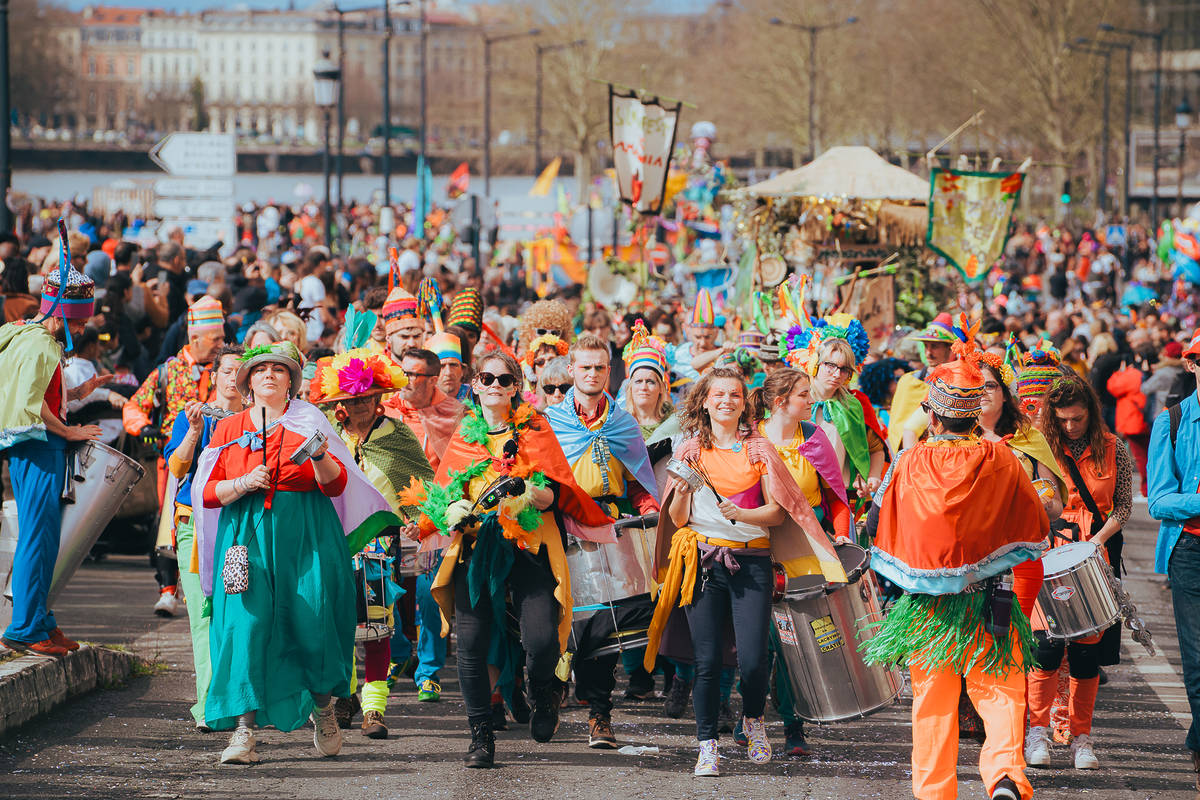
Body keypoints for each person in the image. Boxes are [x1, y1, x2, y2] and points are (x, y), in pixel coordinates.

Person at [192, 341, 398, 765]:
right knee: (244, 627)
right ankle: (244, 732)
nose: (269, 374)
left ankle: (323, 710)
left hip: (308, 536)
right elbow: (206, 493)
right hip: (245, 538)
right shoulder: (229, 428)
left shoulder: (310, 420)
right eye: (260, 369)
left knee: (313, 622)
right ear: (248, 382)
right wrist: (242, 484)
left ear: (291, 381)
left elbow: (336, 486)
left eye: (279, 369)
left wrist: (319, 454)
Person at [405, 350, 613, 768]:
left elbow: (555, 493)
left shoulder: (535, 429)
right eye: (487, 378)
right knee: (471, 643)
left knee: (541, 641)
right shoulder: (465, 435)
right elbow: (445, 492)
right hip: (477, 547)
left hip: (528, 546)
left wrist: (529, 492)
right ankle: (480, 735)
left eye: (504, 380)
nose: (495, 386)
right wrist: (437, 518)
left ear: (517, 386)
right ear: (476, 384)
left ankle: (544, 692)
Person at [862, 346, 1049, 800]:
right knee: (1001, 689)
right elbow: (1037, 524)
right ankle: (1005, 775)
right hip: (991, 600)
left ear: (932, 415)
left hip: (926, 612)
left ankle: (934, 794)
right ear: (974, 412)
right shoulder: (1002, 457)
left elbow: (873, 523)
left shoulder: (908, 461)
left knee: (932, 704)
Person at [644, 366, 849, 777]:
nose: (726, 401)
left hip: (752, 563)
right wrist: (680, 494)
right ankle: (707, 747)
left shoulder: (758, 449)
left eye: (734, 395)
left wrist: (742, 513)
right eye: (718, 395)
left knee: (754, 661)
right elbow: (679, 518)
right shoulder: (689, 450)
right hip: (703, 563)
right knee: (706, 662)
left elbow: (777, 512)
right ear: (705, 402)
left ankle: (753, 718)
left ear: (744, 404)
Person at [308, 347, 434, 739]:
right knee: (336, 624)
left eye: (366, 397)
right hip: (332, 542)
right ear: (340, 403)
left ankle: (374, 708)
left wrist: (416, 521)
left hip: (380, 543)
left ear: (378, 397)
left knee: (377, 626)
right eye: (352, 398)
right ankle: (345, 696)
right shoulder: (328, 436)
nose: (360, 404)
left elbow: (420, 486)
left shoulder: (397, 435)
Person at [543, 333, 660, 749]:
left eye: (599, 367)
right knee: (560, 620)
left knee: (606, 624)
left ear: (609, 372)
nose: (592, 374)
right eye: (585, 367)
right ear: (571, 369)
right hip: (560, 525)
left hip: (607, 525)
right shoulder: (549, 423)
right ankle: (551, 689)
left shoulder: (623, 423)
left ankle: (599, 714)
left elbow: (639, 480)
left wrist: (649, 509)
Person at [1027, 374, 1133, 770]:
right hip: (1047, 554)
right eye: (1063, 420)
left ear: (1091, 412)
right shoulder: (1039, 446)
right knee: (1046, 648)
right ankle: (1037, 733)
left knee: (1087, 654)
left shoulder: (1114, 447)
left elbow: (1123, 506)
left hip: (1093, 557)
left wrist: (1097, 542)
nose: (1071, 426)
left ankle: (1081, 739)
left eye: (1078, 418)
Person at [0, 258, 104, 656]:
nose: (81, 331)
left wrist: (77, 394)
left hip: (35, 447)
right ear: (61, 315)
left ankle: (40, 620)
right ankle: (25, 627)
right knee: (37, 537)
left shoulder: (25, 333)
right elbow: (31, 402)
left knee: (43, 538)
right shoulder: (41, 342)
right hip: (39, 446)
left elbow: (37, 393)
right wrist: (69, 431)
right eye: (78, 323)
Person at [753, 366, 852, 756]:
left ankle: (794, 726)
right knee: (760, 642)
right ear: (781, 402)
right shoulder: (751, 439)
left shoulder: (814, 437)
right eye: (803, 395)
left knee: (794, 639)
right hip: (760, 545)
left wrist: (841, 533)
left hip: (806, 546)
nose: (811, 400)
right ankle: (751, 716)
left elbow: (835, 496)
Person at [123, 296, 226, 618]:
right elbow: (134, 406)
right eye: (216, 339)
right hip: (173, 462)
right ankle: (167, 590)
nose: (222, 344)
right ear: (194, 338)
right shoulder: (166, 371)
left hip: (216, 459)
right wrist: (143, 427)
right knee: (168, 523)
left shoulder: (226, 372)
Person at [162, 345, 246, 730]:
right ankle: (210, 704)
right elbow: (177, 467)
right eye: (227, 371)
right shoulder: (192, 416)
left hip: (240, 524)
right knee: (202, 614)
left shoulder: (256, 420)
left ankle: (237, 700)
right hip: (195, 524)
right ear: (214, 376)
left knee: (238, 615)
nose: (233, 379)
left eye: (240, 372)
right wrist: (195, 432)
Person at [1148, 329, 1200, 793]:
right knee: (1198, 662)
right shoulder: (1173, 421)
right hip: (1191, 552)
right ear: (1191, 365)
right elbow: (1159, 501)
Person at [783, 315, 888, 500]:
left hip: (839, 496)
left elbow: (875, 449)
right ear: (815, 364)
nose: (837, 374)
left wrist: (871, 478)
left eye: (844, 368)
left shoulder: (854, 404)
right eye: (830, 365)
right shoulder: (792, 399)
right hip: (797, 495)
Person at [382, 347, 465, 472]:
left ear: (433, 380)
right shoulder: (385, 411)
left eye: (412, 375)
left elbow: (460, 467)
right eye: (402, 372)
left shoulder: (454, 414)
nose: (404, 380)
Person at [887, 313, 957, 452]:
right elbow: (897, 426)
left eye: (934, 346)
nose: (929, 352)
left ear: (949, 348)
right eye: (926, 346)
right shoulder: (909, 381)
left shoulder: (958, 383)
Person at [622, 321, 675, 439]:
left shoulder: (674, 423)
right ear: (630, 387)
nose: (643, 387)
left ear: (661, 387)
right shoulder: (619, 423)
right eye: (638, 381)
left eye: (650, 382)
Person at [672, 289, 729, 381]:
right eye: (697, 337)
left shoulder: (724, 356)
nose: (702, 343)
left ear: (716, 333)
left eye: (707, 337)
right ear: (688, 331)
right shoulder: (678, 355)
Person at [383, 287, 426, 358]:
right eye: (404, 337)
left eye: (416, 336)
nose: (411, 344)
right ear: (388, 338)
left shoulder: (433, 363)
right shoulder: (372, 364)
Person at [428, 330, 470, 402]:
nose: (448, 372)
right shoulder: (422, 401)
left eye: (453, 365)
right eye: (441, 366)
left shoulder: (476, 397)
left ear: (463, 370)